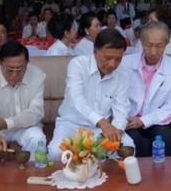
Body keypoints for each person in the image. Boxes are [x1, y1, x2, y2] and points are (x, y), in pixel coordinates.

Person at [48, 28, 134, 160]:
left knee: (128, 148)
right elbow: (77, 100)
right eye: (108, 58)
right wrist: (102, 122)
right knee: (56, 152)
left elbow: (121, 108)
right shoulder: (77, 65)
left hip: (101, 130)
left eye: (118, 59)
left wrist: (116, 130)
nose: (112, 64)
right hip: (71, 124)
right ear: (95, 51)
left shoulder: (123, 73)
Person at [0, 41, 46, 159]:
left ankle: (34, 171)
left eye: (20, 69)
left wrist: (7, 123)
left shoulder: (38, 75)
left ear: (27, 63)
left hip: (26, 127)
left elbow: (36, 111)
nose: (15, 75)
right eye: (10, 70)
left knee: (38, 139)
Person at [123, 21, 171, 157]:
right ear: (141, 42)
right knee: (133, 142)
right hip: (129, 119)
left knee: (166, 141)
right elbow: (117, 96)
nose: (154, 51)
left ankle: (163, 171)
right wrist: (125, 117)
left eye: (159, 46)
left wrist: (144, 120)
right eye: (149, 45)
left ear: (166, 44)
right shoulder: (125, 63)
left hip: (158, 120)